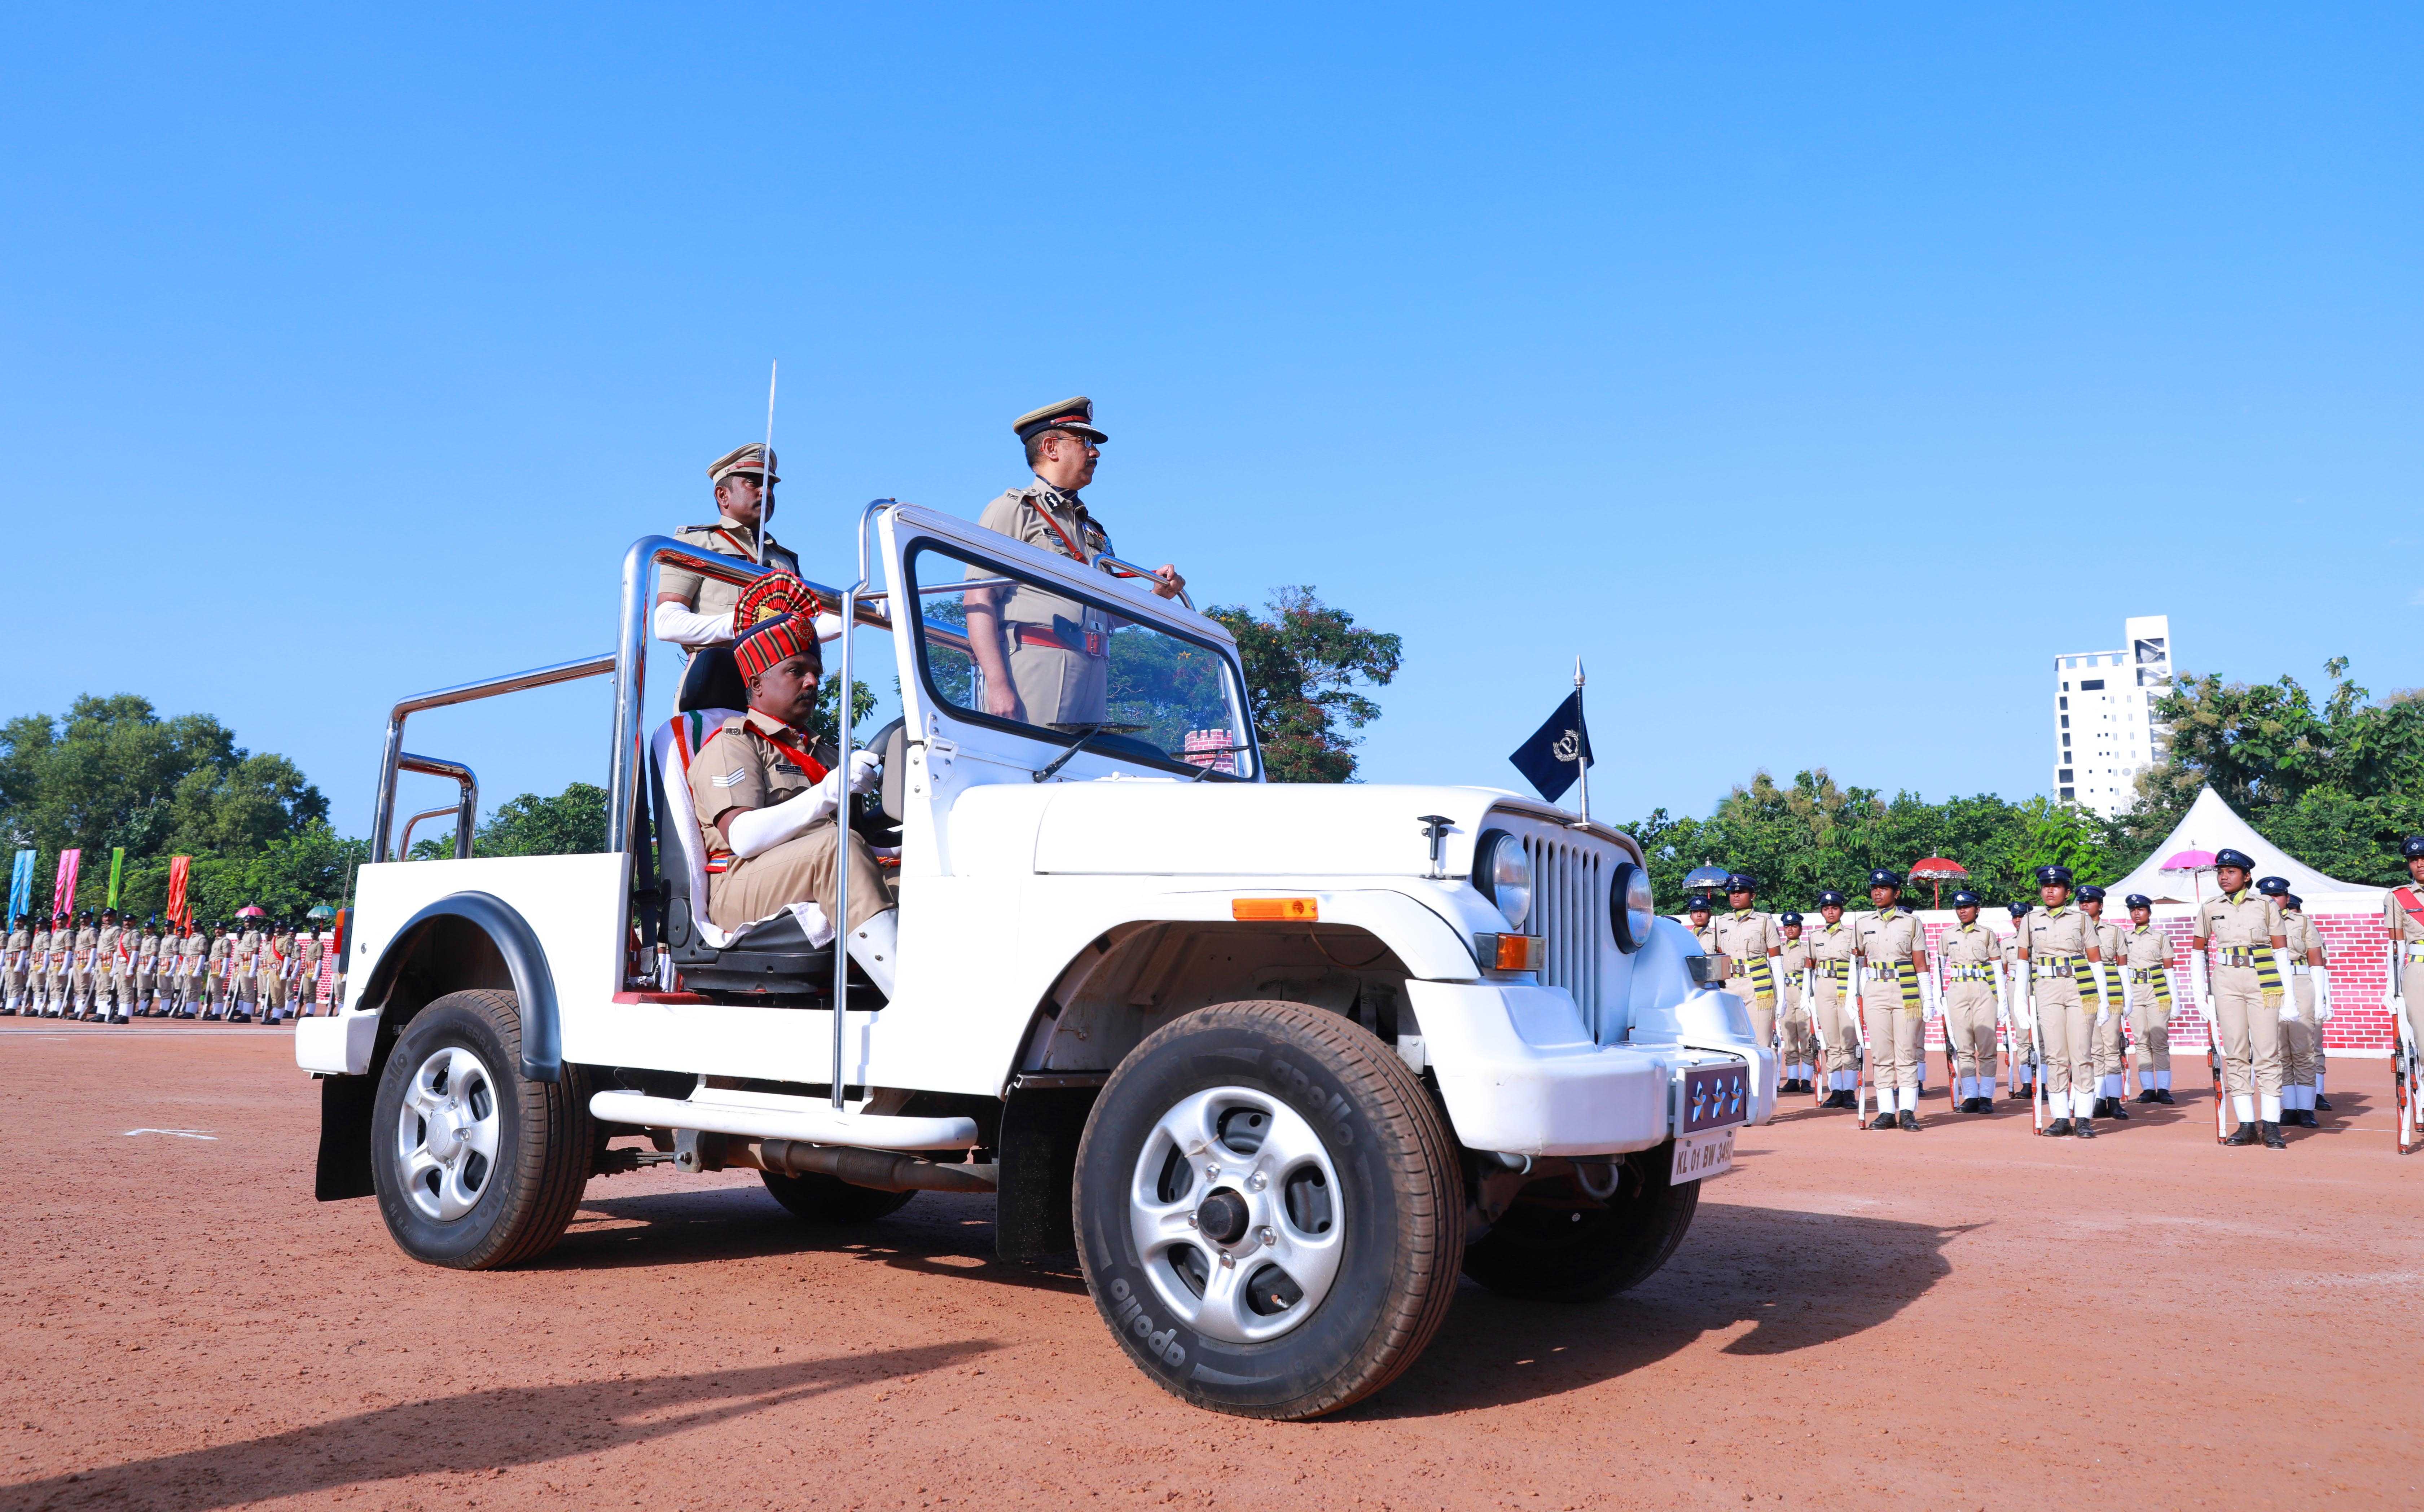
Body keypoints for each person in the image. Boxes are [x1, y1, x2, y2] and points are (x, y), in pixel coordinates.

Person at [686, 572, 898, 994]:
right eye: (796, 671)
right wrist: (828, 793)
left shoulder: (824, 751)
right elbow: (744, 837)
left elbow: (858, 837)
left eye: (815, 672)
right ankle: (915, 1005)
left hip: (815, 866)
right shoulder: (734, 743)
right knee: (836, 849)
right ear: (757, 684)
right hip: (739, 884)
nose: (813, 682)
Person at [964, 397, 1186, 729]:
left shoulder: (1090, 528)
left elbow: (1106, 614)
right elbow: (978, 598)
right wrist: (998, 687)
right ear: (1052, 447)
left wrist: (1155, 596)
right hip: (1037, 662)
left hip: (1094, 667)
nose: (1095, 453)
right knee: (1032, 768)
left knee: (1082, 773)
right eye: (1085, 442)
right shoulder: (1014, 510)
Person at [653, 444, 813, 656]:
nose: (765, 492)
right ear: (723, 495)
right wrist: (744, 622)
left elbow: (809, 624)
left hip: (776, 683)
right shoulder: (695, 544)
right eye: (753, 483)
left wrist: (860, 607)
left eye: (770, 486)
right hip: (717, 675)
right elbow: (667, 622)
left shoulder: (784, 560)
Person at [2192, 848, 2289, 1149]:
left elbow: (2281, 951)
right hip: (2227, 981)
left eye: (2231, 871)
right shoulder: (2210, 907)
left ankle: (2271, 1126)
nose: (2224, 876)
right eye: (2220, 871)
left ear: (2247, 876)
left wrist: (2290, 996)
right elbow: (2198, 952)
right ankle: (2247, 1125)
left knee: (2268, 1052)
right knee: (2234, 1052)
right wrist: (2199, 994)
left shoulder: (2265, 905)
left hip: (2263, 978)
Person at [2019, 865, 2108, 1139]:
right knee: (2055, 1055)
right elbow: (2023, 962)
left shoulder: (2081, 920)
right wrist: (2019, 1002)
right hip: (2046, 988)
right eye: (2046, 885)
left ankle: (2083, 1118)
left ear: (2067, 892)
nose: (2050, 890)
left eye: (2056, 886)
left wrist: (2103, 1000)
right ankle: (2060, 1118)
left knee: (2082, 1053)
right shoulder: (2030, 920)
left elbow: (2095, 961)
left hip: (2079, 987)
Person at [1852, 870, 1931, 1130]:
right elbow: (1859, 963)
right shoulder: (1863, 923)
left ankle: (1907, 1111)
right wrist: (1855, 995)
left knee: (1906, 1052)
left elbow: (1920, 964)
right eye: (1874, 888)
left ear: (1896, 893)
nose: (1877, 892)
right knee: (1881, 1054)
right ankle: (1886, 1111)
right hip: (1875, 989)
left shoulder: (1911, 923)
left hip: (1906, 988)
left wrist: (1928, 999)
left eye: (1884, 888)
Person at [2265, 880, 2329, 1128]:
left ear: (2286, 897)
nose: (2273, 899)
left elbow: (2316, 961)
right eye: (2268, 895)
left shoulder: (2302, 922)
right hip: (2270, 982)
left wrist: (2323, 999)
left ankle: (2306, 1109)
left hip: (2300, 980)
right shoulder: (2259, 922)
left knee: (2303, 1049)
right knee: (2280, 1050)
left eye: (2278, 895)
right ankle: (2289, 1108)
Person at [1937, 891, 2000, 1113]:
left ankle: (1986, 1097)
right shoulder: (1947, 935)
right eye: (1959, 908)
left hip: (1983, 988)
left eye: (1967, 907)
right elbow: (1940, 966)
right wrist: (1939, 995)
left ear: (1977, 909)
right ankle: (1971, 1096)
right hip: (1957, 989)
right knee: (1963, 1046)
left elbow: (1996, 966)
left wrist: (2000, 997)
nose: (1962, 911)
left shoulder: (1986, 934)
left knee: (1986, 1045)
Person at [1711, 874, 1782, 1057]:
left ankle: (1762, 1085)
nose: (1736, 896)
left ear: (1753, 896)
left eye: (1741, 892)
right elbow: (1721, 956)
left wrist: (1782, 997)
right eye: (1732, 892)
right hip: (1730, 986)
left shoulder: (1765, 920)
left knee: (1761, 1043)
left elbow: (1775, 959)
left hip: (1757, 986)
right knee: (1732, 1042)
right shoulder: (1723, 922)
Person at [2078, 885, 2129, 1120]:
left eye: (2090, 901)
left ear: (2100, 905)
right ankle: (2099, 1099)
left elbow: (2123, 966)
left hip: (2112, 994)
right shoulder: (2075, 929)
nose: (2085, 905)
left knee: (2111, 1047)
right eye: (2082, 902)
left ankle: (2115, 1100)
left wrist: (2128, 995)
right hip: (2087, 993)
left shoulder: (2114, 932)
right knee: (2094, 1049)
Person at [2120, 895, 2177, 1105]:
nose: (2137, 913)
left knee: (2159, 1040)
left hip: (2157, 990)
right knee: (2141, 1040)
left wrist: (2175, 999)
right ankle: (2147, 1089)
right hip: (2135, 991)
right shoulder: (2125, 937)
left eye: (2141, 910)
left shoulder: (2161, 937)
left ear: (2149, 913)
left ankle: (2163, 1089)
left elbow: (2169, 968)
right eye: (2133, 910)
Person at [1806, 890, 1860, 1108]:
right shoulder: (1815, 937)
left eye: (1835, 908)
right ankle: (1836, 1090)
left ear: (1842, 911)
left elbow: (1859, 964)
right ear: (1822, 912)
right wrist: (1807, 995)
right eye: (1827, 909)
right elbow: (1810, 966)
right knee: (1831, 1042)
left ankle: (1849, 1092)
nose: (1831, 912)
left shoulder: (1852, 935)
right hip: (1824, 987)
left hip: (1845, 986)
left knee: (1848, 1041)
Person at [2389, 837, 2424, 1107]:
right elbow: (2396, 946)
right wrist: (2393, 987)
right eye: (2414, 860)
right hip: (2418, 970)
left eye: (2423, 858)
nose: (2419, 864)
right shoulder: (2399, 897)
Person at [2000, 901, 2037, 1103]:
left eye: (2022, 917)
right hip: (2016, 986)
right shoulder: (2007, 943)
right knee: (2022, 1035)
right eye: (2015, 917)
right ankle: (2026, 1084)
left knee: (2042, 1035)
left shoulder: (2040, 939)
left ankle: (2043, 1082)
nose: (2018, 920)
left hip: (2038, 984)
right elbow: (2004, 969)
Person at [1777, 911, 1814, 1093]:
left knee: (1806, 1038)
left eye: (1794, 926)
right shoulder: (1779, 950)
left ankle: (1806, 1079)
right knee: (1789, 1039)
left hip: (1802, 994)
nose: (1790, 929)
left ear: (1800, 929)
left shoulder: (1807, 948)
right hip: (1785, 994)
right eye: (1787, 926)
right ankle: (1792, 1079)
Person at [3, 914, 28, 1014]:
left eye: (20, 921)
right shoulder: (14, 934)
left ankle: (12, 1008)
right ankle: (9, 1006)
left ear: (24, 923)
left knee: (15, 984)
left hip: (16, 961)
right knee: (9, 983)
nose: (18, 923)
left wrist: (19, 965)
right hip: (10, 961)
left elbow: (23, 950)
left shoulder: (24, 934)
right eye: (16, 921)